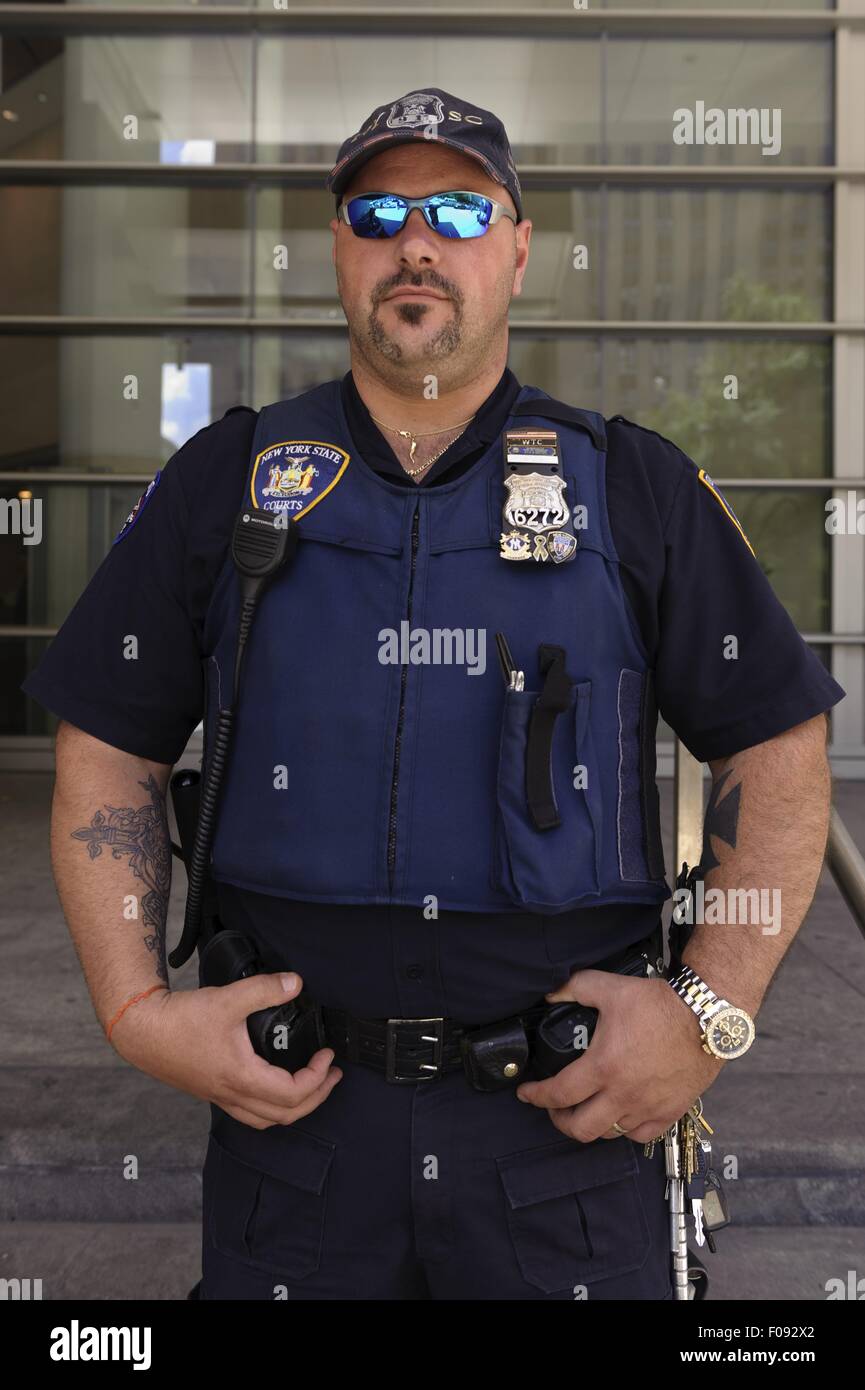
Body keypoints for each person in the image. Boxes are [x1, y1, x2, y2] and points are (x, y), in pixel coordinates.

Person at [22, 87, 845, 1301]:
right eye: (379, 210)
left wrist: (704, 1014)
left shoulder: (633, 489)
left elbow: (777, 749)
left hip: (562, 1143)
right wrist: (136, 1010)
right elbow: (105, 751)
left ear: (516, 247)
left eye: (458, 208)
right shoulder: (228, 482)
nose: (417, 239)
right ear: (340, 251)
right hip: (294, 1139)